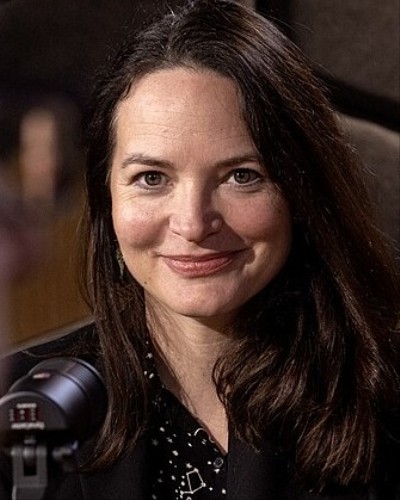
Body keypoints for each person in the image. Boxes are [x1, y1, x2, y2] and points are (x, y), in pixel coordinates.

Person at [1, 0, 399, 498]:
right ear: (107, 199)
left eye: (241, 176)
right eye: (151, 178)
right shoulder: (21, 410)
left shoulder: (387, 399)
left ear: (301, 193)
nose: (192, 224)